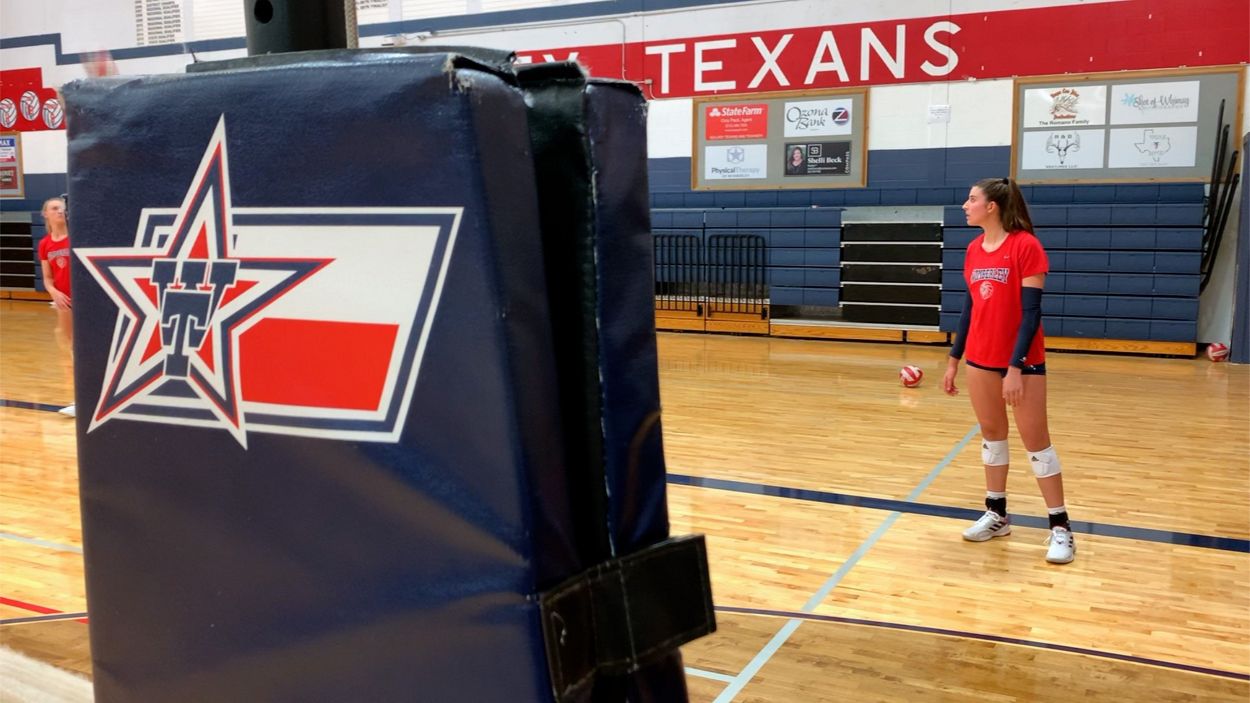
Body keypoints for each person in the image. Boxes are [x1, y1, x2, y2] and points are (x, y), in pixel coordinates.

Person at [942, 177, 1074, 564]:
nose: (965, 205)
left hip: (1022, 363)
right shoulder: (973, 249)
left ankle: (1061, 527)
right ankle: (997, 514)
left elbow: (1031, 314)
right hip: (980, 359)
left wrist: (1015, 367)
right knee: (992, 438)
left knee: (1037, 444)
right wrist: (954, 358)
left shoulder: (1025, 246)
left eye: (972, 199)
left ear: (992, 207)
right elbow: (970, 308)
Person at [38, 195, 76, 418]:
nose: (60, 211)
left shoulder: (76, 237)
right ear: (45, 214)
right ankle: (80, 399)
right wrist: (54, 293)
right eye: (54, 208)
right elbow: (47, 278)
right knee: (72, 350)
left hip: (84, 300)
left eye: (62, 208)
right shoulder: (45, 244)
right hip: (64, 302)